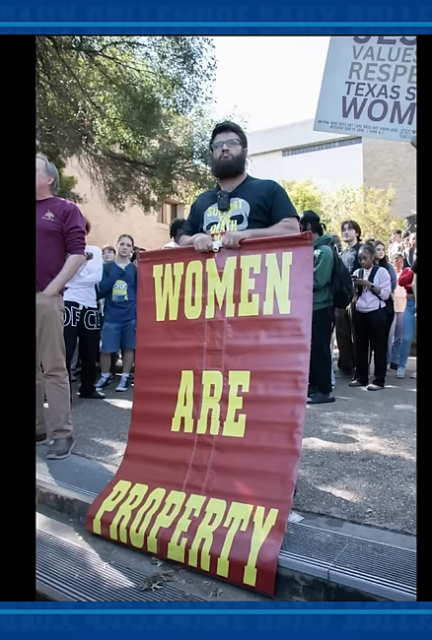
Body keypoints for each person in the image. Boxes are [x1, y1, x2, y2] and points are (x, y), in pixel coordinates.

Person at [179, 121, 299, 251]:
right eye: (218, 145)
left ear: (245, 151)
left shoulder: (269, 189)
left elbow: (292, 229)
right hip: (214, 271)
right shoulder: (201, 201)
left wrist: (248, 235)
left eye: (232, 143)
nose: (224, 148)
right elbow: (183, 240)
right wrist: (196, 238)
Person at [36, 153, 87, 460]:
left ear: (49, 178)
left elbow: (78, 253)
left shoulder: (65, 209)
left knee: (53, 368)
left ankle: (62, 434)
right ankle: (39, 428)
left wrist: (52, 289)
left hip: (46, 298)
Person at [63, 218, 104, 400]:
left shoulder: (95, 251)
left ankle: (88, 387)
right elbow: (63, 276)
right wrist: (77, 274)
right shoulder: (63, 251)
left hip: (90, 304)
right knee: (66, 347)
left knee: (90, 349)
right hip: (68, 302)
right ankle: (62, 393)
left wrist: (73, 277)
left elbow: (96, 277)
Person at [299, 211, 335, 405]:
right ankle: (314, 385)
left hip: (322, 306)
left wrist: (297, 277)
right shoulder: (315, 250)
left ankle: (324, 390)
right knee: (312, 348)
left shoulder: (324, 252)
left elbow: (319, 280)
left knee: (321, 349)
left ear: (309, 228)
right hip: (312, 306)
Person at [96, 234, 138, 392]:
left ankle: (125, 377)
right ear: (117, 245)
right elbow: (101, 290)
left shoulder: (134, 269)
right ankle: (105, 376)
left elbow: (140, 292)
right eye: (122, 244)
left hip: (130, 316)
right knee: (106, 349)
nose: (125, 247)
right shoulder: (107, 267)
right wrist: (113, 275)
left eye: (128, 245)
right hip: (111, 316)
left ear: (132, 249)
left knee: (128, 348)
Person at [350, 244, 392, 390]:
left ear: (373, 257)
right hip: (360, 311)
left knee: (379, 347)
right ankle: (361, 376)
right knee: (360, 346)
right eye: (360, 259)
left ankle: (379, 379)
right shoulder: (357, 271)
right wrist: (356, 289)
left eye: (365, 258)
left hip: (376, 311)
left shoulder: (382, 272)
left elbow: (385, 294)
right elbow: (354, 296)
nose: (362, 261)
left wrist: (369, 284)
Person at [335, 220, 362, 378]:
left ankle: (360, 367)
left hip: (358, 297)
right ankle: (346, 366)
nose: (346, 232)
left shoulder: (362, 250)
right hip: (341, 298)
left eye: (349, 229)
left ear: (357, 232)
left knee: (357, 334)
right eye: (343, 229)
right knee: (342, 333)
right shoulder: (342, 253)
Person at [374, 240, 396, 348]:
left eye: (383, 249)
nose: (381, 252)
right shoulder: (368, 267)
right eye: (378, 249)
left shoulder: (389, 267)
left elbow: (393, 284)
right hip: (370, 304)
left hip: (386, 303)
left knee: (385, 336)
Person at [396, 265, 416, 379]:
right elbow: (401, 281)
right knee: (406, 337)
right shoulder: (409, 270)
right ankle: (401, 366)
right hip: (410, 305)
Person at [388, 254, 407, 370]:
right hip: (392, 307)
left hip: (402, 307)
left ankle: (395, 360)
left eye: (400, 261)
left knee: (399, 337)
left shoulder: (406, 274)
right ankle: (387, 360)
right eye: (396, 261)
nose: (398, 263)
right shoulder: (391, 274)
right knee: (390, 336)